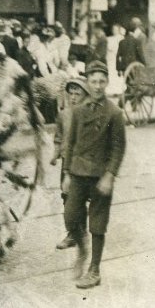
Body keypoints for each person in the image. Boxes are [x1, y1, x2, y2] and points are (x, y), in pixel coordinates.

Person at [62, 60, 126, 289]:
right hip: (79, 172)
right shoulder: (78, 111)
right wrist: (67, 173)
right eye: (93, 81)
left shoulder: (114, 113)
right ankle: (81, 249)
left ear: (107, 82)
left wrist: (110, 175)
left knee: (98, 224)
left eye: (101, 81)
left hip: (100, 177)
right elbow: (70, 143)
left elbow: (119, 148)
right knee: (70, 217)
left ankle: (94, 270)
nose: (98, 86)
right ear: (87, 83)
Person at [51, 77, 89, 248]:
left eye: (77, 93)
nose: (73, 97)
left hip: (82, 162)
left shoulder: (89, 114)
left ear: (85, 95)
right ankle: (73, 233)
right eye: (71, 93)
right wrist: (55, 154)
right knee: (67, 196)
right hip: (67, 162)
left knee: (80, 197)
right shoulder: (63, 115)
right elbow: (58, 137)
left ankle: (80, 232)